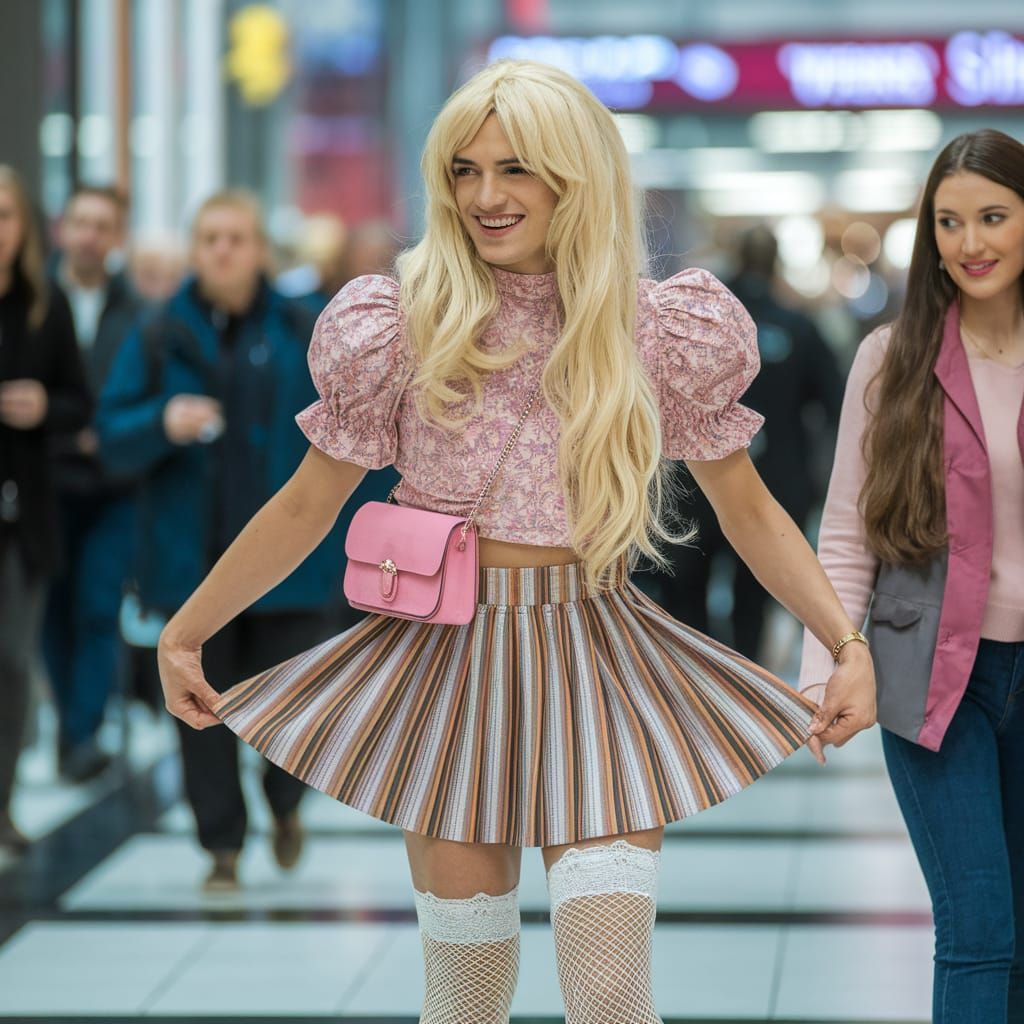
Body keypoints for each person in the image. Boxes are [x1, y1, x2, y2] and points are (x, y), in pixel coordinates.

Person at [158, 62, 875, 1019]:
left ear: (575, 176)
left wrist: (846, 642)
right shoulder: (404, 324)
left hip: (600, 659)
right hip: (445, 667)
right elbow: (306, 504)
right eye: (464, 170)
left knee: (612, 1002)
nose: (485, 196)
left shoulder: (654, 330)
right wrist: (186, 631)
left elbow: (747, 507)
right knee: (465, 1005)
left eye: (515, 169)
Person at [800, 128, 1024, 1024]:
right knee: (979, 931)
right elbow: (848, 532)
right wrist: (835, 663)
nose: (971, 243)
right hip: (930, 673)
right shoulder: (891, 361)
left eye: (994, 217)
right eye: (949, 222)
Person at [97, 190, 344, 891]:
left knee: (292, 716)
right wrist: (158, 423)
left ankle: (286, 805)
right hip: (190, 564)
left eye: (237, 237)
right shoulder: (158, 333)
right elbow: (110, 439)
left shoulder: (305, 329)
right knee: (200, 713)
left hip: (291, 571)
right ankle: (223, 847)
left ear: (261, 249)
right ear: (193, 248)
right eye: (210, 238)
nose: (224, 250)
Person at [663, 225, 843, 660]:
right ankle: (745, 679)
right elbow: (835, 405)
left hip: (695, 485)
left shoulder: (698, 331)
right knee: (754, 598)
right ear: (777, 261)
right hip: (777, 484)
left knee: (689, 594)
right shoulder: (801, 327)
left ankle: (700, 680)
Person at [0, 165, 92, 852]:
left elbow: (78, 400)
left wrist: (44, 409)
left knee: (11, 662)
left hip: (23, 516)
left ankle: (1, 803)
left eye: (5, 215)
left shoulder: (44, 303)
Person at [44, 184, 147, 783]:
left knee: (96, 605)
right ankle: (70, 726)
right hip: (47, 482)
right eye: (79, 222)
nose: (88, 235)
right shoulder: (36, 301)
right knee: (49, 613)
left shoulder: (135, 310)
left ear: (115, 237)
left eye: (101, 225)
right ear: (63, 228)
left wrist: (106, 436)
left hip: (112, 485)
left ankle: (79, 735)